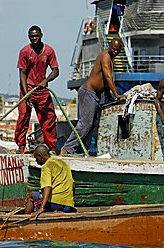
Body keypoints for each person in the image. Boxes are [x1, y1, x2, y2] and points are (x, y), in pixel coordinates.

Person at [60, 38, 125, 155]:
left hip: (95, 95)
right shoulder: (105, 56)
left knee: (92, 125)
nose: (115, 52)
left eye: (117, 50)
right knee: (85, 124)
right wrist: (117, 94)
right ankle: (67, 149)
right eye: (113, 49)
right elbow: (108, 76)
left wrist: (108, 95)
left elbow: (105, 80)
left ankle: (82, 150)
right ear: (110, 46)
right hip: (88, 93)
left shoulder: (110, 58)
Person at [15, 25, 59, 154]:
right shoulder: (24, 52)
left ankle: (51, 147)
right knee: (23, 118)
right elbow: (22, 73)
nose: (34, 38)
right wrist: (26, 94)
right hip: (27, 88)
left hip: (42, 89)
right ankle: (21, 146)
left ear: (41, 35)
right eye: (32, 37)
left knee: (48, 118)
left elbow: (56, 70)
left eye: (36, 36)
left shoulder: (49, 51)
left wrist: (46, 81)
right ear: (29, 37)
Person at [25, 145, 76, 217]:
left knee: (31, 195)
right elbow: (73, 185)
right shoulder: (62, 163)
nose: (36, 161)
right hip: (68, 204)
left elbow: (47, 187)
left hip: (56, 203)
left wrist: (42, 208)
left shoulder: (46, 166)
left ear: (40, 156)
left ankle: (25, 218)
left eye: (36, 158)